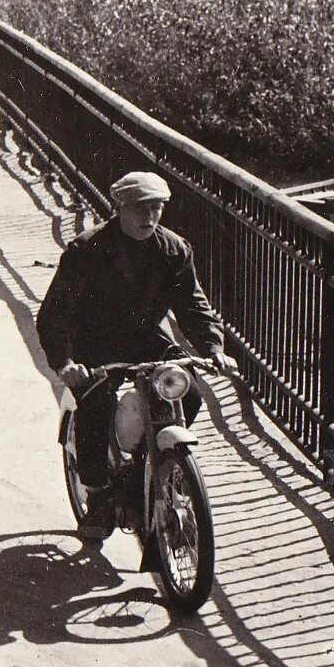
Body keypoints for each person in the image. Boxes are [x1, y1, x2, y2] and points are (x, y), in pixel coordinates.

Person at [36, 171, 236, 540]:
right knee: (96, 404)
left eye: (157, 208)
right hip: (94, 341)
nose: (150, 217)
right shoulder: (87, 249)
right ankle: (96, 494)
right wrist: (66, 362)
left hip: (146, 337)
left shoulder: (173, 249)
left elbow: (193, 305)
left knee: (188, 391)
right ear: (120, 207)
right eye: (140, 208)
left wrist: (213, 348)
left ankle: (153, 462)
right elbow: (55, 313)